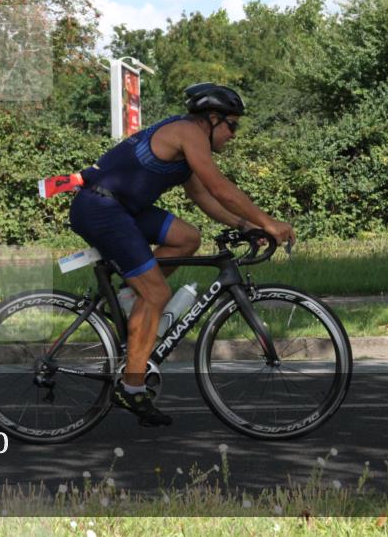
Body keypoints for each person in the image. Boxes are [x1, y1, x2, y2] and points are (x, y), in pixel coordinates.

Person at [69, 82, 295, 427]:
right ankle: (131, 388)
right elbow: (221, 187)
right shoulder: (188, 132)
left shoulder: (187, 146)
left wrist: (246, 225)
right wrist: (269, 222)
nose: (234, 135)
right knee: (157, 292)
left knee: (188, 238)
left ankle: (134, 295)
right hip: (102, 208)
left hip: (121, 207)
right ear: (213, 119)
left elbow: (205, 198)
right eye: (232, 125)